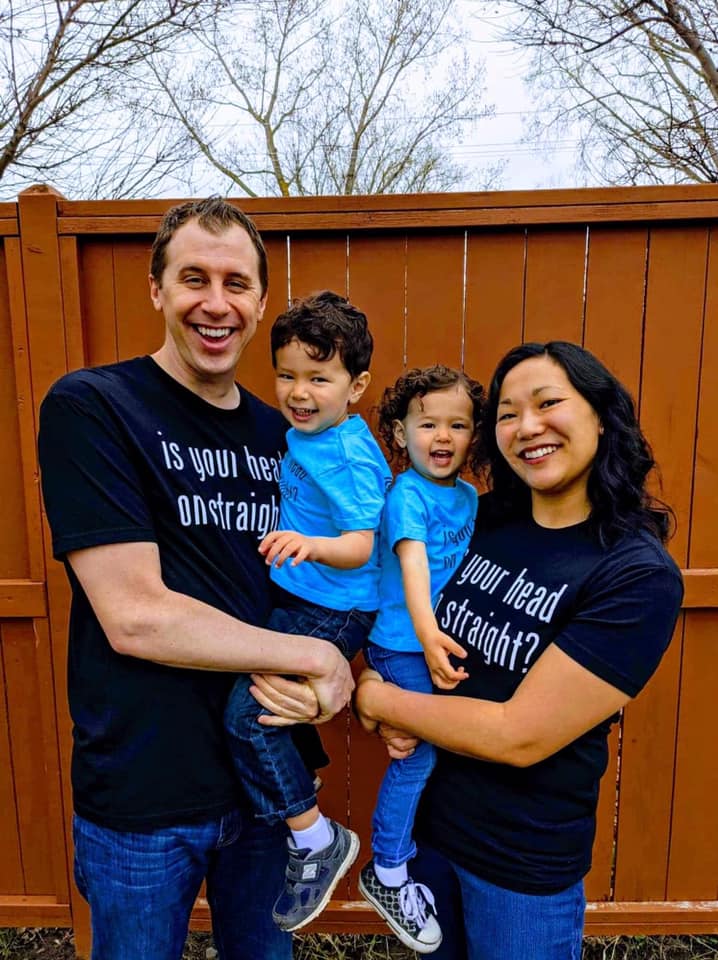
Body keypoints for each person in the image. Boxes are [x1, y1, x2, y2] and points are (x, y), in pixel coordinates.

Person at [37, 198, 355, 960]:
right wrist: (310, 659)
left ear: (261, 303)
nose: (217, 303)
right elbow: (135, 615)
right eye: (193, 279)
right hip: (145, 793)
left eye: (237, 284)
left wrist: (346, 675)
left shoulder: (287, 435)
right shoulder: (94, 407)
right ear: (157, 290)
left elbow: (335, 579)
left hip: (269, 782)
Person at [350, 341, 685, 960]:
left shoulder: (635, 575)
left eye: (548, 403)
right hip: (430, 838)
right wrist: (384, 686)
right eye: (507, 412)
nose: (527, 426)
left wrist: (378, 697)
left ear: (602, 415)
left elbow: (518, 734)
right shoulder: (484, 521)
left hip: (519, 867)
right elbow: (400, 612)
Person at [222, 290, 391, 932]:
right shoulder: (307, 435)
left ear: (356, 386)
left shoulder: (346, 454)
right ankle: (302, 808)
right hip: (303, 597)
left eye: (319, 377)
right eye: (288, 375)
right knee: (259, 705)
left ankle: (315, 838)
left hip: (334, 609)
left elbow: (361, 545)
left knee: (247, 717)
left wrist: (308, 544)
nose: (300, 391)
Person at [357, 365, 484, 954]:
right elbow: (414, 569)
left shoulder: (465, 498)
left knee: (446, 752)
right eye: (427, 423)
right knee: (416, 753)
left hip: (439, 639)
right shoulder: (407, 495)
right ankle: (387, 871)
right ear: (400, 433)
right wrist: (430, 638)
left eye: (457, 424)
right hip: (404, 643)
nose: (442, 436)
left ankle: (432, 858)